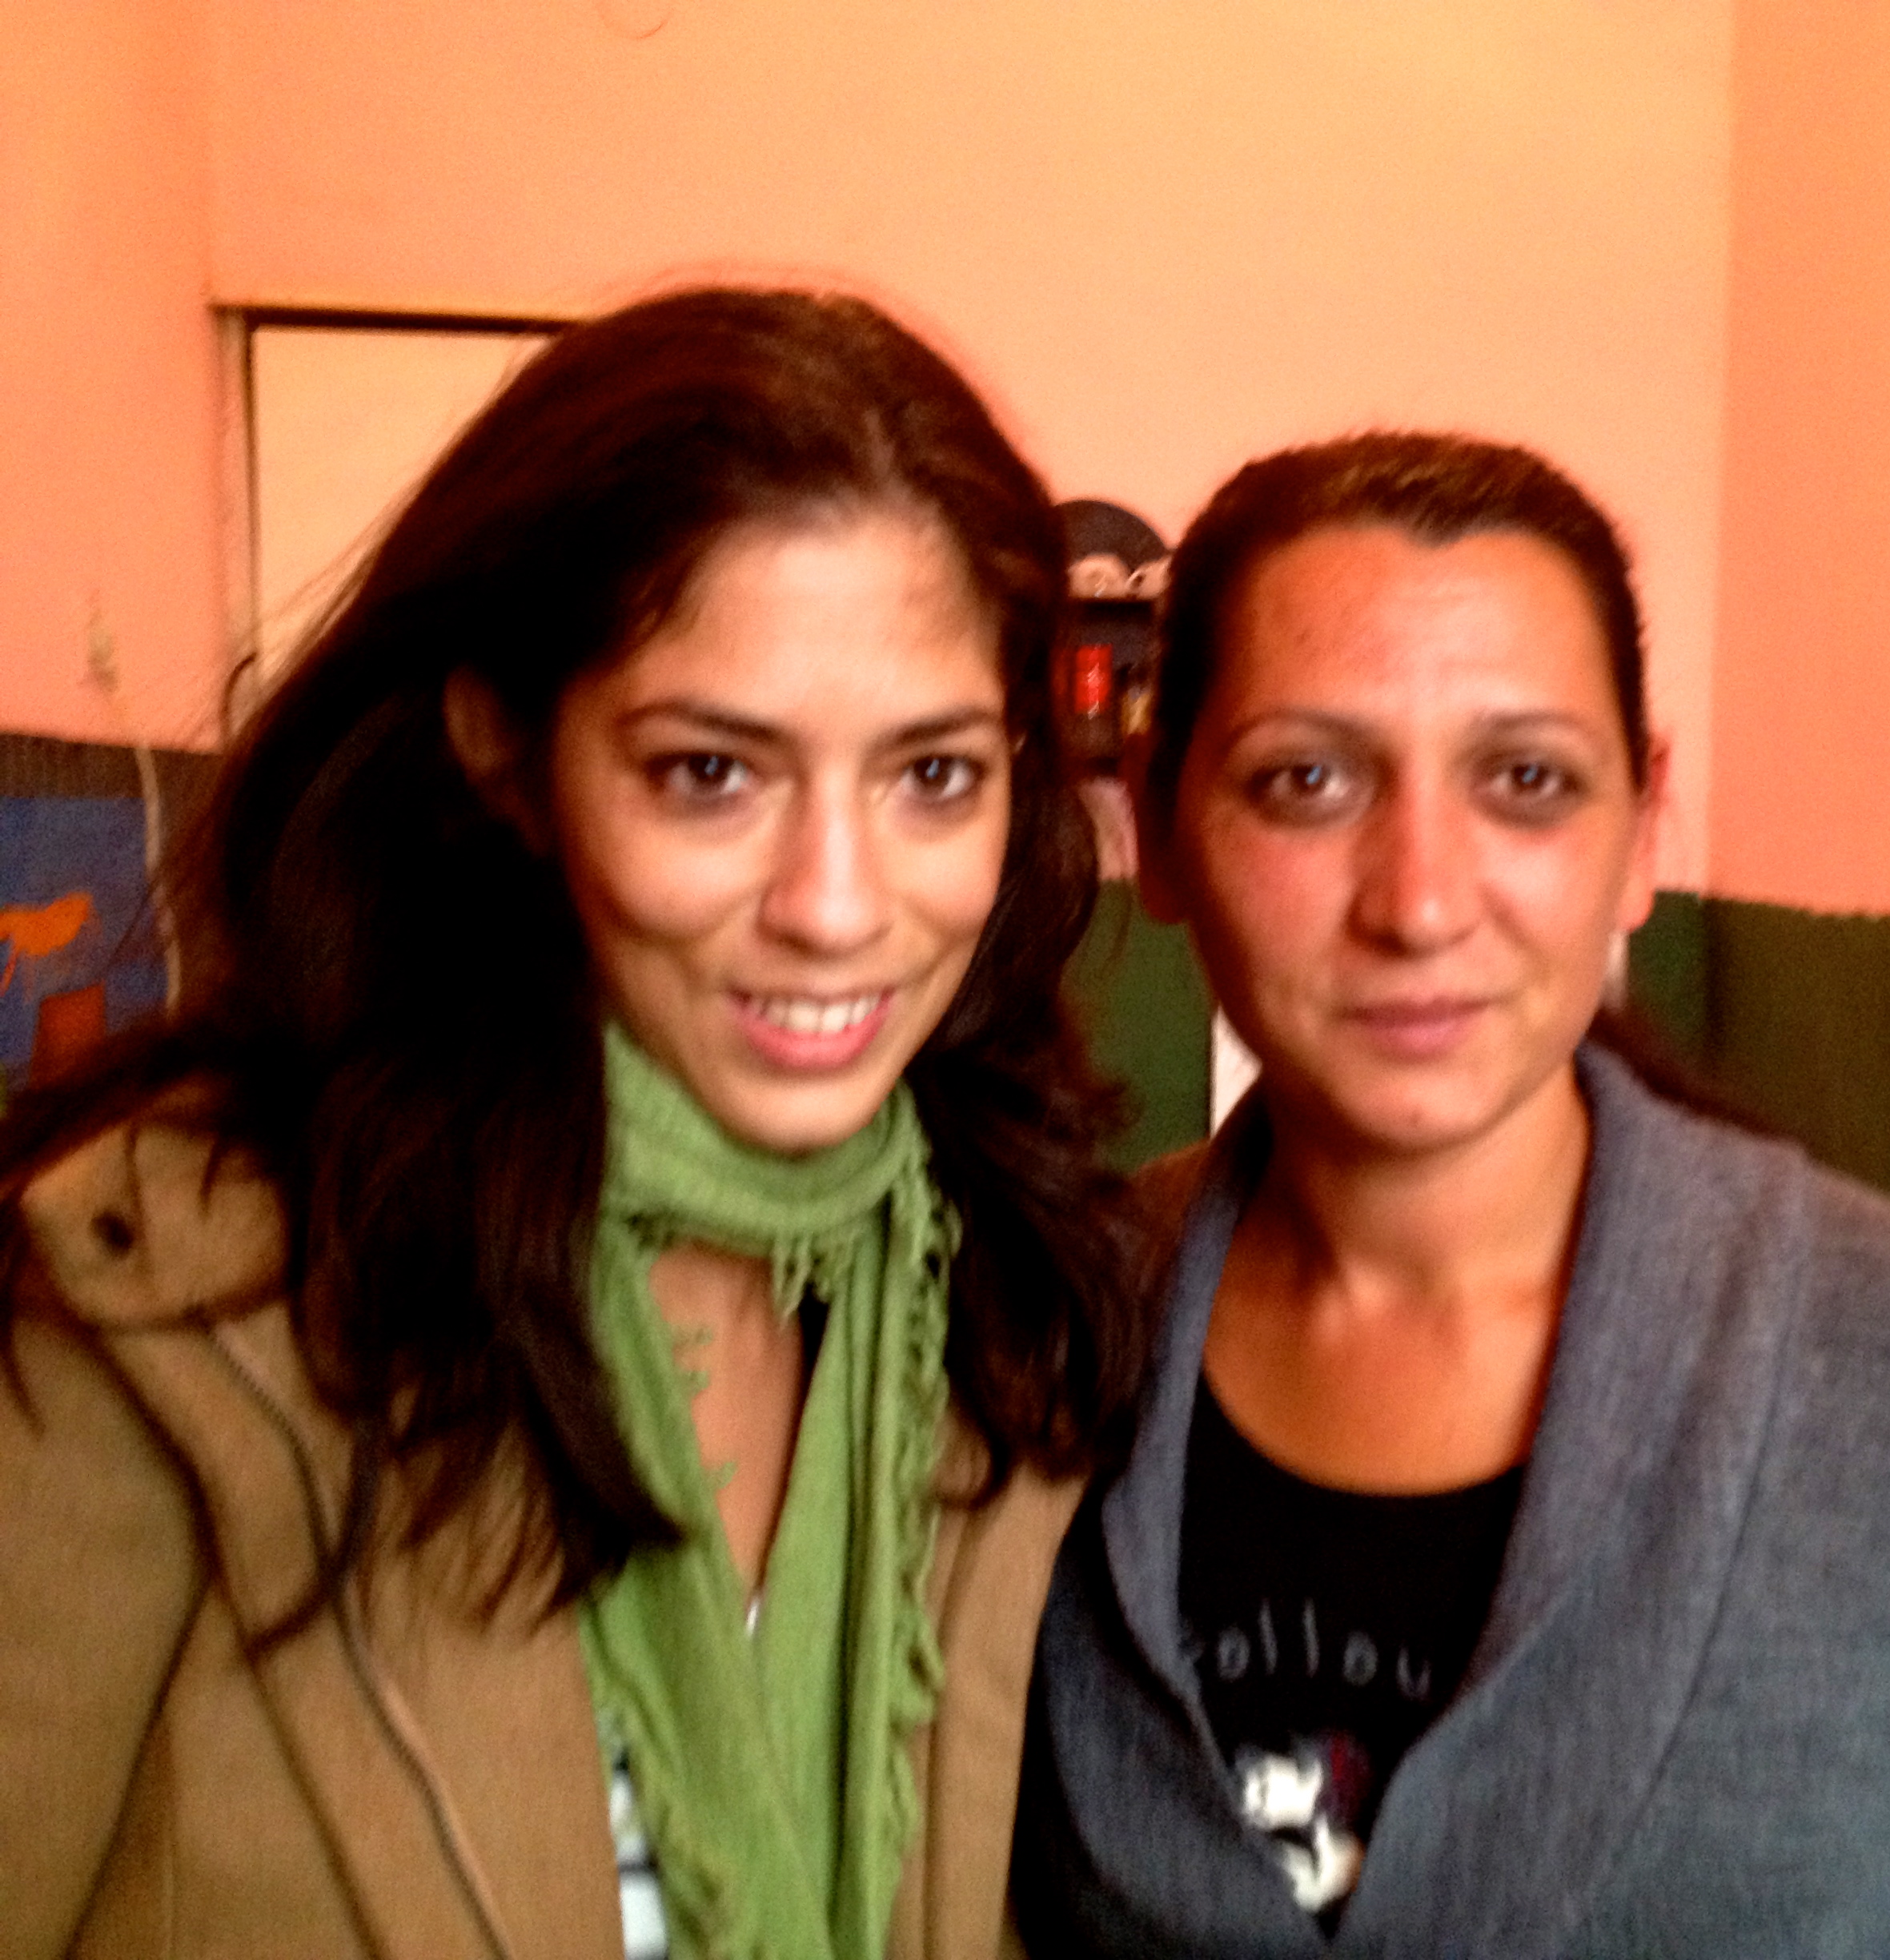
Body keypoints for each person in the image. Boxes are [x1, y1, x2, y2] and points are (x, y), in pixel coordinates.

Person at [0, 287, 1150, 1960]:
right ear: (505, 754)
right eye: (710, 774)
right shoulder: (166, 1304)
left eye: (932, 776)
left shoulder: (989, 1309)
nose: (837, 906)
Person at [1012, 432, 1890, 1956]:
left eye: (1527, 780)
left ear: (1643, 832)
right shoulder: (1039, 1341)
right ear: (1163, 825)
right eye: (1306, 779)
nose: (1421, 901)